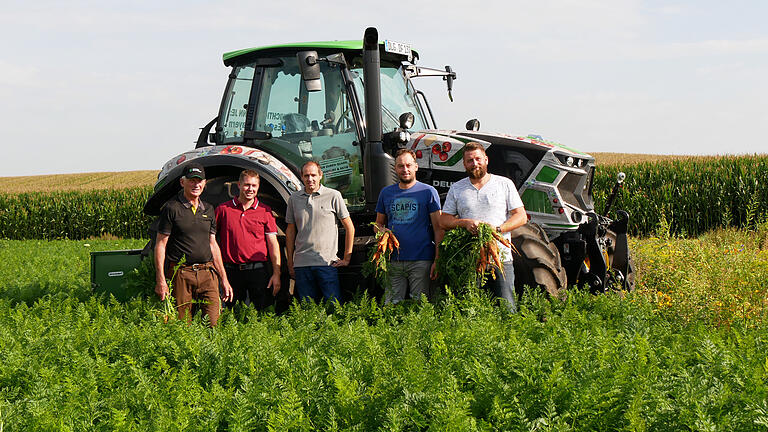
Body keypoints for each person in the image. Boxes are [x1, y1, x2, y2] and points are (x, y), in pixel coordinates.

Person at [439, 142, 527, 310]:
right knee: (470, 308)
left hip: (501, 258)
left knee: (506, 307)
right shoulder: (457, 188)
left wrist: (497, 230)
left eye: (478, 159)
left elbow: (521, 216)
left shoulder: (504, 184)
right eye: (470, 161)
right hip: (469, 259)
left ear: (486, 160)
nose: (475, 164)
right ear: (464, 164)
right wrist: (464, 223)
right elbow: (444, 221)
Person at [154, 162, 233, 326]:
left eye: (199, 181)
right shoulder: (172, 208)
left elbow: (213, 244)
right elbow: (160, 245)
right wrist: (161, 279)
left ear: (204, 183)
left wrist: (224, 279)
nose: (196, 184)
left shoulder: (209, 209)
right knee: (183, 325)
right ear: (183, 182)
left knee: (213, 322)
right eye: (192, 180)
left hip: (207, 273)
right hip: (182, 273)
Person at [375, 149, 443, 303]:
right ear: (395, 168)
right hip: (393, 260)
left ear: (416, 167)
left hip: (422, 259)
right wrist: (382, 231)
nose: (405, 170)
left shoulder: (428, 192)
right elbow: (377, 224)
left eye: (408, 165)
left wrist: (437, 259)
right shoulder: (386, 193)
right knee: (391, 304)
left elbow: (438, 228)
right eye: (400, 166)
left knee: (421, 304)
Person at [285, 161, 354, 303]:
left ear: (320, 175)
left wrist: (347, 258)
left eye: (313, 175)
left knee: (334, 308)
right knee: (308, 312)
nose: (310, 179)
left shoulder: (333, 195)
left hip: (327, 263)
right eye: (306, 176)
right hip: (302, 265)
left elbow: (349, 227)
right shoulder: (294, 199)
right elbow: (290, 231)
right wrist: (290, 263)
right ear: (301, 177)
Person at [215, 170, 281, 310]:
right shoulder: (223, 210)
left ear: (258, 187)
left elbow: (273, 244)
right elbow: (211, 240)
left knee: (261, 313)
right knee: (231, 315)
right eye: (246, 185)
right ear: (239, 185)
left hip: (257, 271)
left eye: (254, 185)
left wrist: (276, 273)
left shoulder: (265, 211)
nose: (250, 189)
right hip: (231, 271)